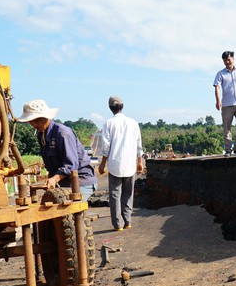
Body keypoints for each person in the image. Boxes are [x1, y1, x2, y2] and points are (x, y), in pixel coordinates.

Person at [16, 99, 96, 200]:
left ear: (45, 117)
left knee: (68, 211)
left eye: (36, 120)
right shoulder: (41, 135)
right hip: (63, 182)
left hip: (81, 181)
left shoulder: (63, 133)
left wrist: (54, 179)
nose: (34, 124)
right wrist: (50, 181)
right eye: (31, 121)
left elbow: (71, 165)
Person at [98, 96, 144, 231]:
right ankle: (128, 221)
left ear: (110, 108)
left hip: (115, 164)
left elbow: (105, 147)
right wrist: (139, 162)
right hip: (130, 164)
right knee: (128, 194)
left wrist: (102, 164)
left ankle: (118, 224)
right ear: (122, 106)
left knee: (115, 195)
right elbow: (138, 144)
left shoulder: (108, 123)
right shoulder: (133, 122)